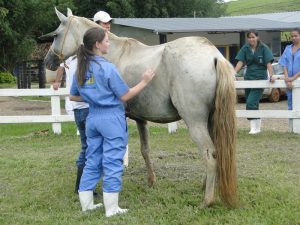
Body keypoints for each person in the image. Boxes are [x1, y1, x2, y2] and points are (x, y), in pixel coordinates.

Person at [70, 27, 155, 217]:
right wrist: (145, 81)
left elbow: (73, 96)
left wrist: (95, 98)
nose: (109, 43)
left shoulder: (81, 67)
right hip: (111, 119)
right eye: (107, 40)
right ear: (98, 45)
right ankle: (111, 208)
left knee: (92, 160)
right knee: (113, 161)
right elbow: (125, 95)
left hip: (93, 118)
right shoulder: (107, 68)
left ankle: (87, 205)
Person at [53, 57, 91, 194]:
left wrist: (57, 81)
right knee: (89, 147)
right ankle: (82, 187)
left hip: (78, 109)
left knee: (87, 146)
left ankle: (82, 186)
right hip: (85, 109)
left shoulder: (74, 58)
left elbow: (61, 67)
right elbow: (61, 67)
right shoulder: (83, 61)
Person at [234, 29, 275, 134]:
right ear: (247, 38)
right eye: (249, 37)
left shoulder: (264, 48)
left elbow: (269, 63)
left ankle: (253, 128)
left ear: (257, 37)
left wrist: (271, 75)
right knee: (252, 103)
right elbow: (240, 62)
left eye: (253, 37)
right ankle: (257, 126)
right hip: (248, 78)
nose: (251, 39)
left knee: (251, 102)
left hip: (260, 78)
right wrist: (233, 73)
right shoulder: (245, 48)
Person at [278, 28, 300, 111]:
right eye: (292, 36)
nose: (293, 38)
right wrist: (287, 79)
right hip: (289, 82)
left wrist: (293, 78)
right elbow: (284, 64)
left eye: (296, 36)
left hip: (297, 79)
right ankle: (292, 124)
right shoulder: (287, 48)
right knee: (291, 106)